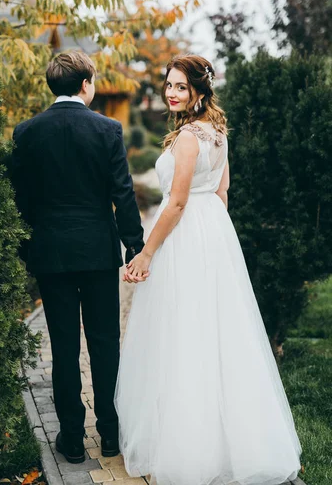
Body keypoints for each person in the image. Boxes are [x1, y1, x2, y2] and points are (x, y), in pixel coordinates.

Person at [115, 54, 302, 485]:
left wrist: (146, 253)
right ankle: (227, 438)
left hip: (183, 233)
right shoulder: (218, 132)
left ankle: (188, 447)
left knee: (183, 332)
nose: (172, 92)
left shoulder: (186, 139)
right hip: (212, 231)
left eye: (181, 86)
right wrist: (215, 241)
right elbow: (222, 192)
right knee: (214, 331)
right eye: (169, 85)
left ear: (199, 90)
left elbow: (177, 202)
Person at [11, 51, 145, 464]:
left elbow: (20, 199)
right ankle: (110, 433)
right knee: (106, 344)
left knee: (64, 347)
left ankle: (71, 438)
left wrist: (27, 250)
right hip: (97, 253)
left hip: (51, 254)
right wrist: (133, 246)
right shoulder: (108, 129)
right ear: (87, 83)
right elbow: (122, 192)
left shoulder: (27, 132)